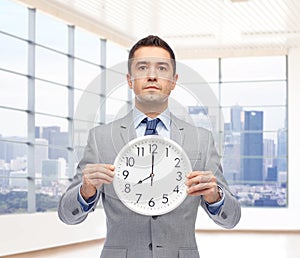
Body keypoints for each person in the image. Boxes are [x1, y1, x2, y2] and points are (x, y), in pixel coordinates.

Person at [58, 35, 241, 258]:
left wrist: (215, 195)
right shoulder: (101, 138)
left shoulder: (201, 139)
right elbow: (68, 215)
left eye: (162, 68)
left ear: (173, 81)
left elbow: (231, 219)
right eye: (142, 67)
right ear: (129, 79)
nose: (152, 75)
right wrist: (86, 190)